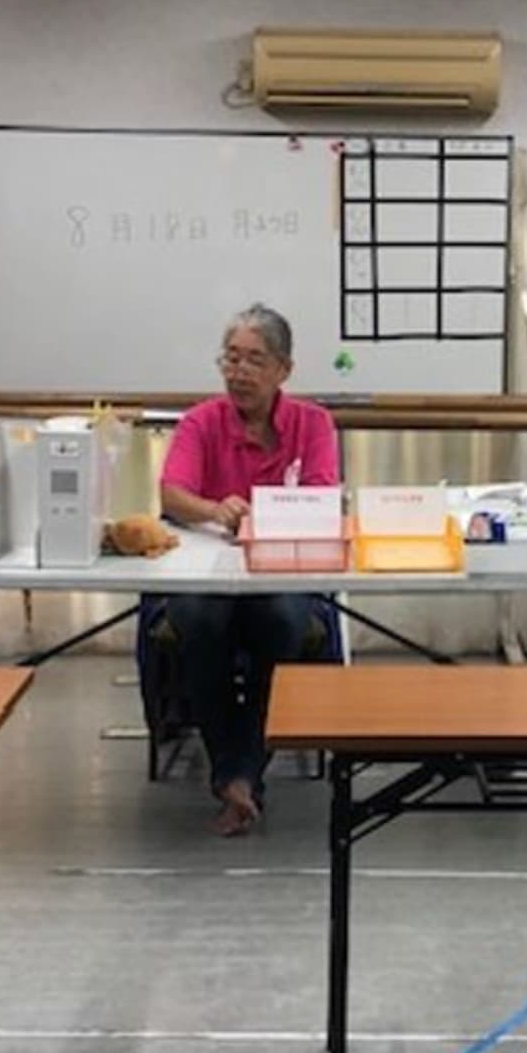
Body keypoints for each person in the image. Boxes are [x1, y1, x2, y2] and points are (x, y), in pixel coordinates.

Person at [158, 305, 341, 837]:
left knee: (280, 621)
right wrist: (214, 509)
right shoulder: (201, 421)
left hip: (282, 570)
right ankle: (237, 774)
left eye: (254, 360)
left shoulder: (313, 423)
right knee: (200, 619)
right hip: (209, 571)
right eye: (231, 359)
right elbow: (172, 494)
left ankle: (239, 775)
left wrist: (269, 515)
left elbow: (323, 496)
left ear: (284, 369)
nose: (238, 372)